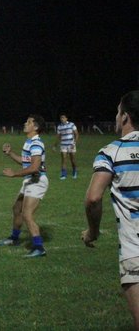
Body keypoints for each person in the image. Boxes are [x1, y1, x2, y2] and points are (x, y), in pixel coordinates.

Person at [82, 90, 139, 329]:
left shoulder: (111, 152)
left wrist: (92, 232)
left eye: (117, 112)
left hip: (134, 250)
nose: (116, 117)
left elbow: (93, 198)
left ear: (125, 116)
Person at [0, 114, 49, 257]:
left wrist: (14, 174)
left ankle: (39, 247)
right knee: (16, 208)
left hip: (37, 181)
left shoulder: (36, 144)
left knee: (27, 214)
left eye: (29, 122)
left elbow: (35, 167)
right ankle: (14, 238)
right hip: (29, 180)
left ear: (36, 127)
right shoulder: (29, 142)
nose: (25, 123)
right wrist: (10, 153)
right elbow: (25, 161)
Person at [55, 113, 79, 180]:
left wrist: (74, 143)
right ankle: (63, 175)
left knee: (72, 159)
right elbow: (58, 136)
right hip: (63, 145)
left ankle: (74, 171)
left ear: (66, 118)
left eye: (63, 117)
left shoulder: (72, 124)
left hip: (71, 144)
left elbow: (76, 134)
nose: (62, 119)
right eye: (61, 118)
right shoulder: (59, 126)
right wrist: (55, 145)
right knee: (64, 159)